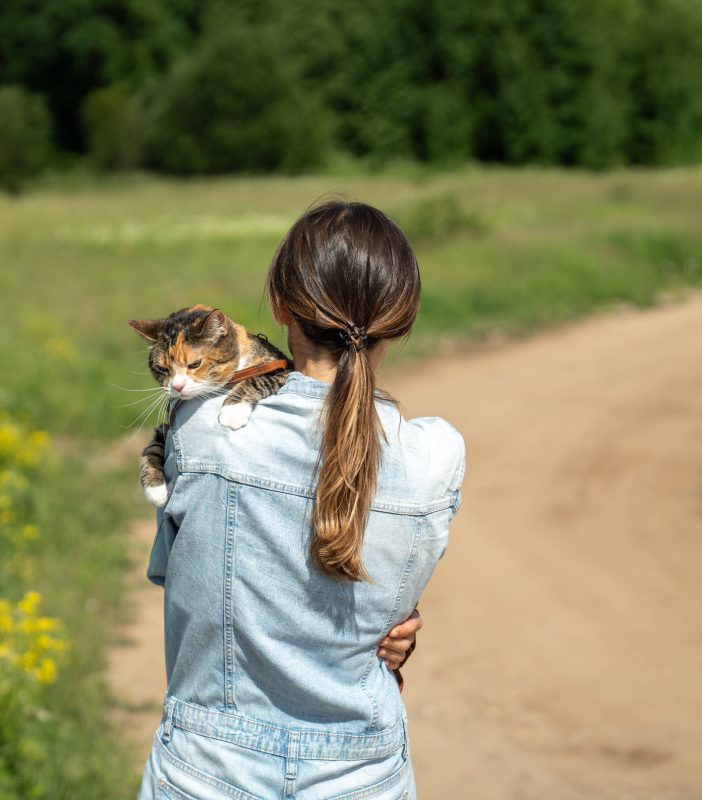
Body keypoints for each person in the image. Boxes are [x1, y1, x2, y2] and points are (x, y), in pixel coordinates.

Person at [137, 200, 465, 799]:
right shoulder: (435, 458)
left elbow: (178, 578)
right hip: (361, 777)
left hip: (207, 772)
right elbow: (389, 622)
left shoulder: (201, 431)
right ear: (401, 323)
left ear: (280, 306)